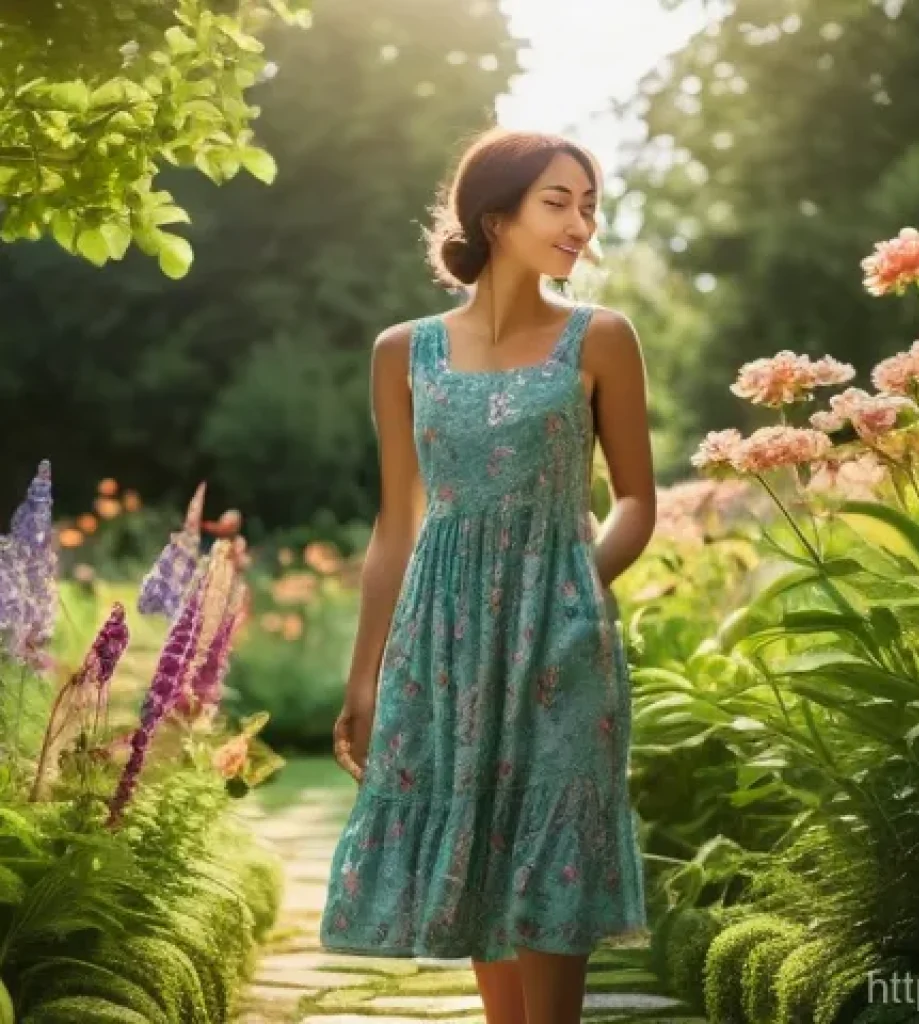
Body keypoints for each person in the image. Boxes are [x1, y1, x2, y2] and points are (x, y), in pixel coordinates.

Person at [320, 126, 657, 1024]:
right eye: (558, 201)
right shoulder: (405, 351)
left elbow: (636, 504)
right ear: (494, 215)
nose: (580, 223)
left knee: (550, 853)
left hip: (562, 629)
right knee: (478, 849)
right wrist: (364, 676)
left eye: (589, 205)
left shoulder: (602, 338)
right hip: (446, 637)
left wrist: (580, 592)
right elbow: (398, 524)